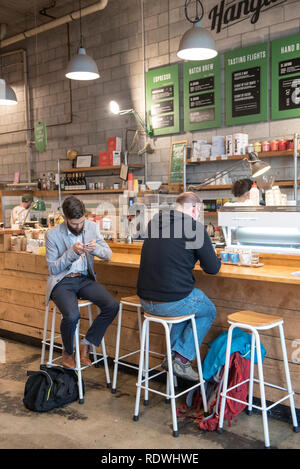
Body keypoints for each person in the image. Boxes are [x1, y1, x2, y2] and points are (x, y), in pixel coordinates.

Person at [137, 191, 221, 381]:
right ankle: (182, 359)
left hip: (145, 301)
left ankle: (171, 357)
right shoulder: (195, 228)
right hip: (169, 302)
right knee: (207, 310)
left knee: (185, 303)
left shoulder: (156, 221)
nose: (198, 216)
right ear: (194, 208)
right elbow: (212, 268)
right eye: (198, 212)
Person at [45, 196, 119, 369]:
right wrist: (71, 253)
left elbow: (108, 254)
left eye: (81, 222)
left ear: (85, 216)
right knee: (72, 316)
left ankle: (86, 343)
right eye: (74, 224)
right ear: (65, 219)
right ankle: (68, 351)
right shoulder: (52, 234)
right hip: (62, 281)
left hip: (84, 279)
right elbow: (53, 269)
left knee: (112, 306)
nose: (79, 227)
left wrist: (96, 250)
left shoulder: (92, 227)